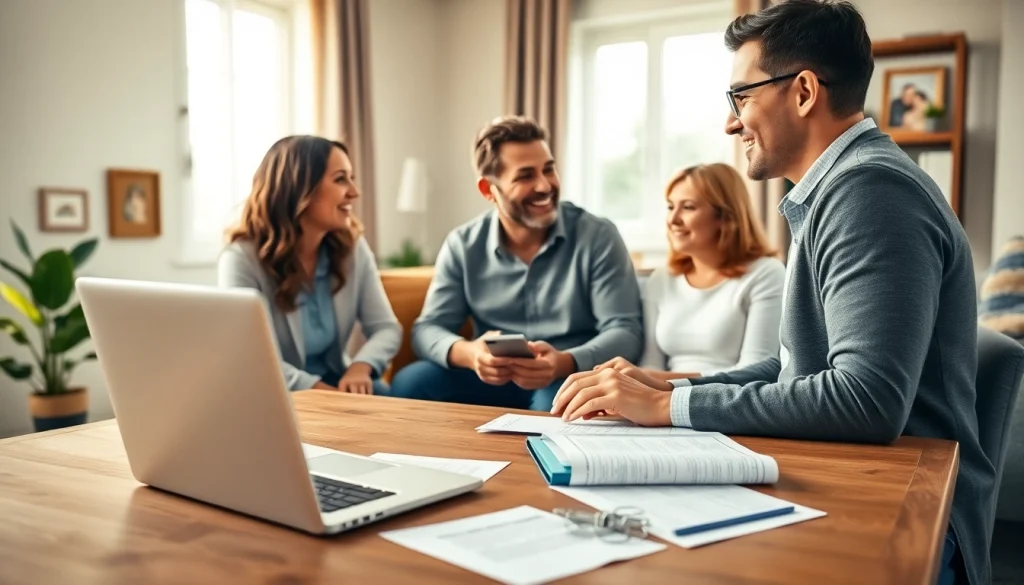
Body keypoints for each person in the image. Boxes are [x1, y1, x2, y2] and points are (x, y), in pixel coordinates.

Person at [551, 2, 990, 585]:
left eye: (741, 96)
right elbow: (794, 368)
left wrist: (667, 408)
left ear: (804, 91)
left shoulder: (870, 193)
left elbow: (865, 401)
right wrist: (679, 384)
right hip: (855, 474)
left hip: (909, 512)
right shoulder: (838, 189)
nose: (731, 123)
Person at [389, 115, 643, 411]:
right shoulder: (463, 244)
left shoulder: (598, 236)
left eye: (548, 169)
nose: (545, 185)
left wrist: (563, 362)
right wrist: (470, 354)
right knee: (410, 383)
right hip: (488, 379)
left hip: (567, 375)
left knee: (561, 408)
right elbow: (428, 328)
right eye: (525, 176)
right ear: (488, 190)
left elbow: (625, 331)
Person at [218, 135, 400, 395]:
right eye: (340, 179)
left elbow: (386, 327)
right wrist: (317, 390)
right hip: (275, 392)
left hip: (337, 382)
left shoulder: (352, 248)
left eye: (352, 178)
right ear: (300, 189)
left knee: (390, 399)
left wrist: (361, 366)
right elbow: (248, 355)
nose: (354, 192)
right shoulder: (241, 259)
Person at [638, 163, 784, 380]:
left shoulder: (766, 274)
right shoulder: (663, 278)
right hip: (662, 398)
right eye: (670, 207)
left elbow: (756, 371)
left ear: (725, 216)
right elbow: (651, 363)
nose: (673, 220)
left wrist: (658, 382)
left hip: (729, 402)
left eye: (688, 207)